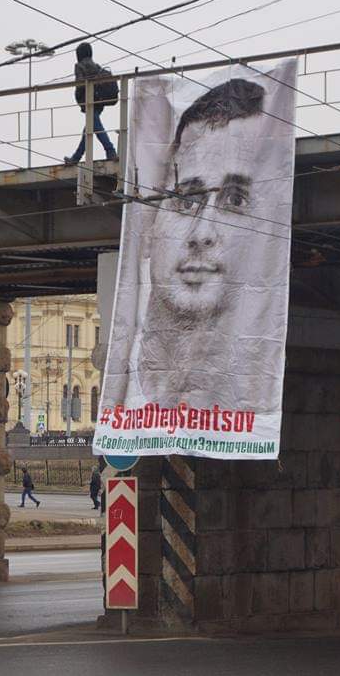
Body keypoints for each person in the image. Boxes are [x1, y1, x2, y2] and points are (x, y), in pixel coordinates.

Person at [119, 76, 292, 411]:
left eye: (235, 201)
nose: (202, 235)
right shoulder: (125, 389)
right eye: (186, 201)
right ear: (152, 231)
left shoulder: (257, 401)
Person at [64, 42, 118, 163]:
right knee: (89, 129)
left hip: (89, 101)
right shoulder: (98, 67)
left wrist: (79, 100)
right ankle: (76, 157)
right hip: (100, 102)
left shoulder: (79, 66)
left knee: (95, 127)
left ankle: (110, 150)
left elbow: (80, 84)